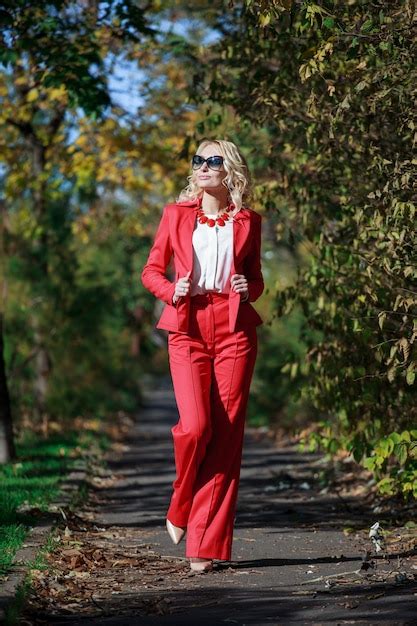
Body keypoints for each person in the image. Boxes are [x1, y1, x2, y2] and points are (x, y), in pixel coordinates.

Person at [141, 138, 264, 572]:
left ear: (229, 170)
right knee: (195, 427)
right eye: (198, 160)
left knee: (226, 439)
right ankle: (180, 503)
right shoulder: (175, 216)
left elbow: (256, 279)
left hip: (234, 330)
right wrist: (168, 290)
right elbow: (151, 270)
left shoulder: (249, 221)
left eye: (213, 160)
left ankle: (204, 544)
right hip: (187, 326)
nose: (203, 166)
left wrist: (251, 290)